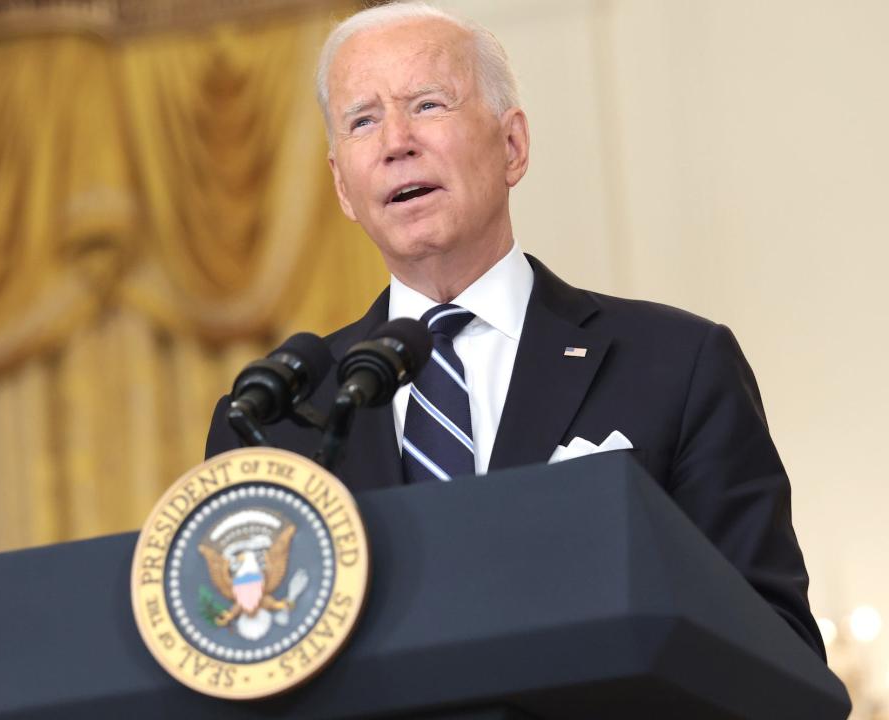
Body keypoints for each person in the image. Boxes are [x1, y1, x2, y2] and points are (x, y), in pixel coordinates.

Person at [205, 2, 826, 659]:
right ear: (342, 187)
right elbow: (239, 661)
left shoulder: (679, 367)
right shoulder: (273, 424)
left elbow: (777, 654)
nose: (395, 142)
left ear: (512, 145)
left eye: (428, 105)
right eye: (363, 120)